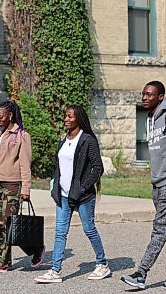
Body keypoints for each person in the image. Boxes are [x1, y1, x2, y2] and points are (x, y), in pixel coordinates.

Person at [121, 81, 166, 289]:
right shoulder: (150, 118)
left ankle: (141, 274)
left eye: (149, 94)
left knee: (160, 230)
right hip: (157, 184)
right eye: (143, 94)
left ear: (160, 96)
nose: (144, 97)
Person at [34, 105, 110, 283]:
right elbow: (59, 166)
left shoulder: (88, 140)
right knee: (60, 232)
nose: (66, 119)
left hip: (83, 195)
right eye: (65, 116)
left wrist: (83, 187)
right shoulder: (63, 139)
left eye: (70, 116)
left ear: (79, 118)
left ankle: (102, 264)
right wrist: (56, 186)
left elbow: (98, 167)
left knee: (89, 229)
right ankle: (55, 270)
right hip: (63, 195)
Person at [0, 100, 45, 273]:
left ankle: (10, 258)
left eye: (1, 116)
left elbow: (25, 165)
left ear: (10, 115)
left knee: (10, 223)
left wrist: (26, 189)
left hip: (13, 185)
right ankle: (4, 259)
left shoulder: (21, 135)